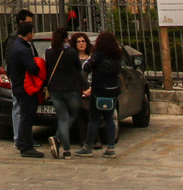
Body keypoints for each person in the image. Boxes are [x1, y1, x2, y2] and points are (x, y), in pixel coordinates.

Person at [4, 9, 44, 158]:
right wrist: (39, 66)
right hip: (25, 86)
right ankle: (26, 146)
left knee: (24, 116)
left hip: (20, 85)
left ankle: (22, 143)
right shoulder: (22, 48)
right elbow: (32, 68)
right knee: (26, 117)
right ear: (29, 33)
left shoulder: (17, 45)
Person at [40, 27, 85, 160]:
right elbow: (79, 67)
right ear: (66, 39)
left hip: (54, 89)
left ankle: (66, 150)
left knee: (62, 118)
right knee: (74, 113)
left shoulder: (49, 52)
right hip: (71, 88)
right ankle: (56, 138)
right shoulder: (71, 52)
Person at [80, 30, 123, 158]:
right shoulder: (117, 55)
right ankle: (110, 148)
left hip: (98, 90)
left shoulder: (97, 55)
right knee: (109, 119)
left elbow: (86, 68)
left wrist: (86, 86)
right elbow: (119, 71)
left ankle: (88, 147)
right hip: (112, 90)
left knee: (93, 120)